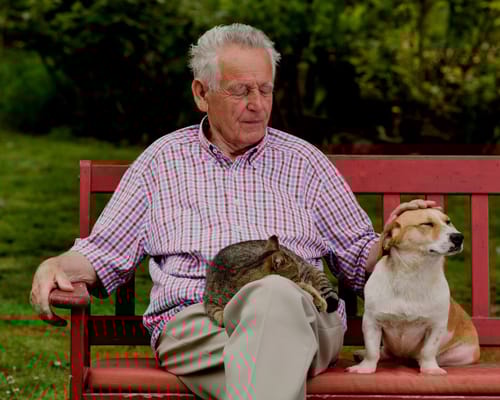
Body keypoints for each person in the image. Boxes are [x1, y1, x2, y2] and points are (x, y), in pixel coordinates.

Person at [30, 23, 435, 400]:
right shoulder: (161, 162)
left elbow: (356, 255)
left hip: (304, 318)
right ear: (201, 93)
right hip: (196, 325)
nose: (257, 105)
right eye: (241, 91)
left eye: (266, 90)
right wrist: (58, 264)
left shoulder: (304, 162)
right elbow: (104, 252)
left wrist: (394, 237)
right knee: (270, 357)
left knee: (274, 294)